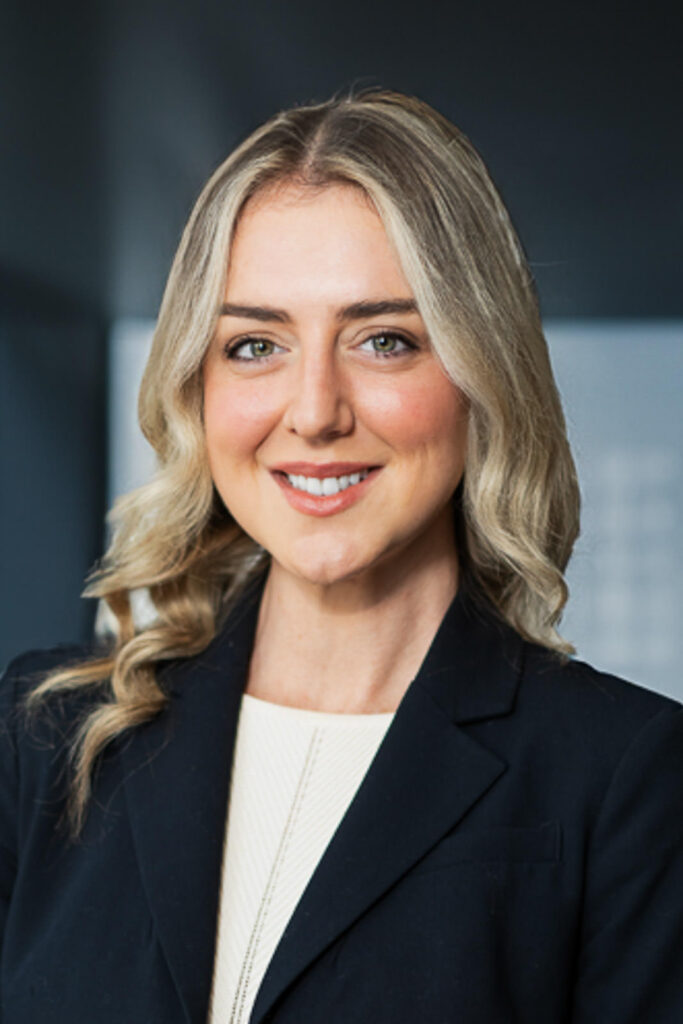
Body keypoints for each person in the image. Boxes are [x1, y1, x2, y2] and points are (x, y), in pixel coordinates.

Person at [1, 88, 682, 1024]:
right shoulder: (47, 740)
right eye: (253, 344)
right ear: (196, 388)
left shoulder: (625, 776)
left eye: (384, 340)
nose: (314, 410)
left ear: (480, 376)